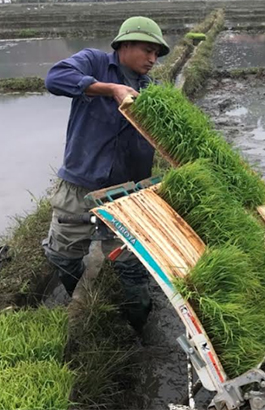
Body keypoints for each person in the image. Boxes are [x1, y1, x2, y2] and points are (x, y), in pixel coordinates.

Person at [43, 16, 170, 331]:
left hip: (127, 195)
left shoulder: (153, 92)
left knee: (134, 276)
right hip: (79, 185)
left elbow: (171, 138)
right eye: (147, 50)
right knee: (63, 256)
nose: (153, 59)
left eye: (157, 54)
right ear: (124, 45)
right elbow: (54, 78)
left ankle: (136, 330)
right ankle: (82, 300)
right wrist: (110, 88)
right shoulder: (94, 63)